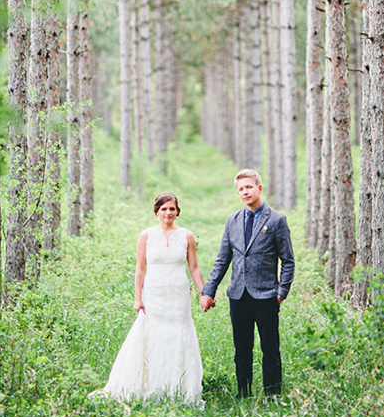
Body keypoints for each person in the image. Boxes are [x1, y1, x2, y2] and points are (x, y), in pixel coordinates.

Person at [94, 192, 205, 403]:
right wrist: (138, 298)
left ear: (178, 211)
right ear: (156, 212)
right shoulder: (146, 236)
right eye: (164, 209)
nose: (168, 213)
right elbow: (140, 270)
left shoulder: (186, 236)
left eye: (172, 209)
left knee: (177, 336)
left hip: (178, 295)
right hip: (154, 294)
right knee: (152, 335)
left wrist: (204, 293)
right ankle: (149, 385)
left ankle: (178, 386)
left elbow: (194, 268)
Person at [200, 169, 295, 398]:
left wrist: (281, 293)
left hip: (266, 296)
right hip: (238, 296)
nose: (245, 192)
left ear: (259, 188)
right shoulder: (232, 220)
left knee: (269, 348)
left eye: (249, 187)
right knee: (242, 349)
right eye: (241, 189)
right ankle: (244, 394)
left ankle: (272, 395)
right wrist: (208, 291)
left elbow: (288, 260)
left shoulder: (276, 220)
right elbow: (222, 260)